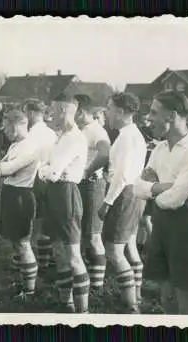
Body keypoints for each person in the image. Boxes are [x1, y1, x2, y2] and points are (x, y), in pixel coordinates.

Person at [133, 91, 188, 315]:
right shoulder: (159, 148)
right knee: (167, 298)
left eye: (154, 112)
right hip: (162, 224)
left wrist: (155, 189)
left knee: (187, 303)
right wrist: (166, 187)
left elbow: (174, 200)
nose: (148, 117)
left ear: (172, 115)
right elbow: (137, 187)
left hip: (187, 227)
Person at [38, 93, 89, 313]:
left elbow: (53, 172)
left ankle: (83, 312)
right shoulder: (60, 136)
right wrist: (46, 169)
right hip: (55, 194)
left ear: (62, 110)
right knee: (59, 251)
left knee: (73, 255)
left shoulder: (73, 138)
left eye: (51, 110)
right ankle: (65, 302)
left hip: (66, 193)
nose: (49, 114)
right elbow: (48, 168)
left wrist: (44, 170)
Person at [99, 92, 147, 313]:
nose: (106, 112)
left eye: (108, 108)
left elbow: (121, 174)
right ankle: (136, 294)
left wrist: (107, 202)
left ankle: (131, 306)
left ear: (120, 111)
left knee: (114, 251)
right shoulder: (134, 134)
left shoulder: (126, 137)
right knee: (130, 244)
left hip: (123, 193)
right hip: (135, 192)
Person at [0, 109, 44, 301]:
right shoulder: (16, 145)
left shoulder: (30, 146)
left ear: (17, 125)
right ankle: (24, 282)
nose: (4, 130)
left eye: (7, 126)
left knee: (23, 244)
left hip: (22, 196)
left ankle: (30, 291)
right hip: (11, 194)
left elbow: (6, 168)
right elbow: (0, 165)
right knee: (16, 243)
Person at [75, 94, 111, 292]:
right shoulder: (81, 130)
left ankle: (97, 288)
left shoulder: (97, 130)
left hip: (93, 184)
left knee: (93, 234)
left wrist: (87, 170)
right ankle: (88, 276)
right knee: (82, 233)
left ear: (80, 111)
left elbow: (105, 154)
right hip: (81, 184)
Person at [21, 99, 58, 272]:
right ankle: (47, 259)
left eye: (25, 112)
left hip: (34, 178)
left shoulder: (30, 135)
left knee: (34, 221)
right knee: (45, 219)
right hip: (50, 178)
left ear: (32, 113)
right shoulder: (52, 133)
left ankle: (36, 261)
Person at [135, 111, 157, 254]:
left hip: (147, 185)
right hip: (149, 184)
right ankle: (140, 245)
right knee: (144, 219)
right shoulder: (156, 145)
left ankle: (156, 246)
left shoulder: (149, 147)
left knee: (145, 219)